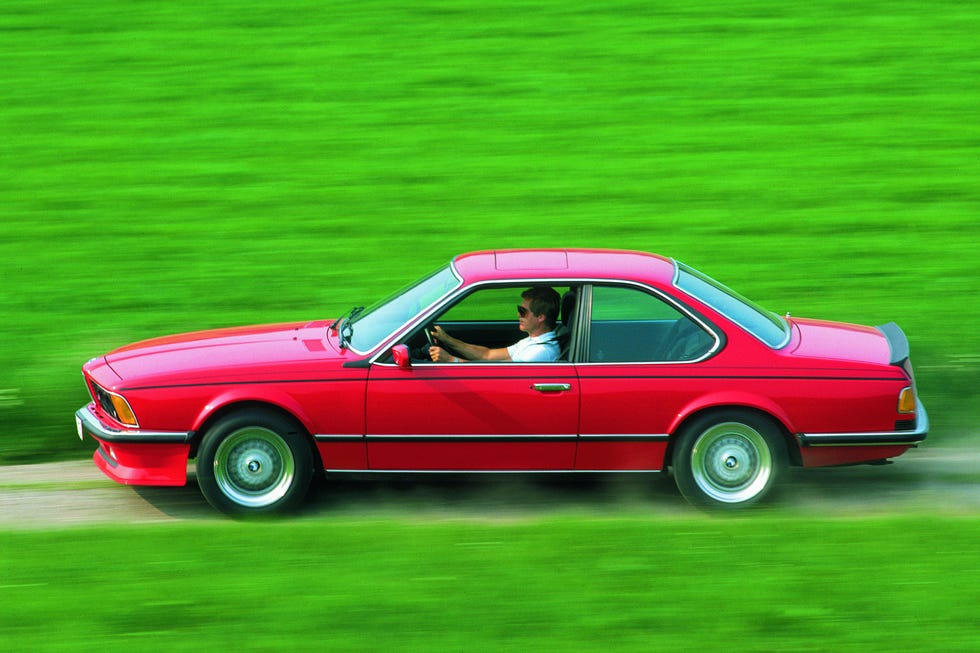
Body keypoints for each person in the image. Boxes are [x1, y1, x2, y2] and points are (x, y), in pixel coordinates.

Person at [429, 286, 561, 363]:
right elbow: (487, 355)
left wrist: (451, 360)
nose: (518, 315)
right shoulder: (531, 341)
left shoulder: (540, 352)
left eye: (523, 312)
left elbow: (497, 376)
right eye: (519, 310)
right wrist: (446, 339)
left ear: (540, 317)